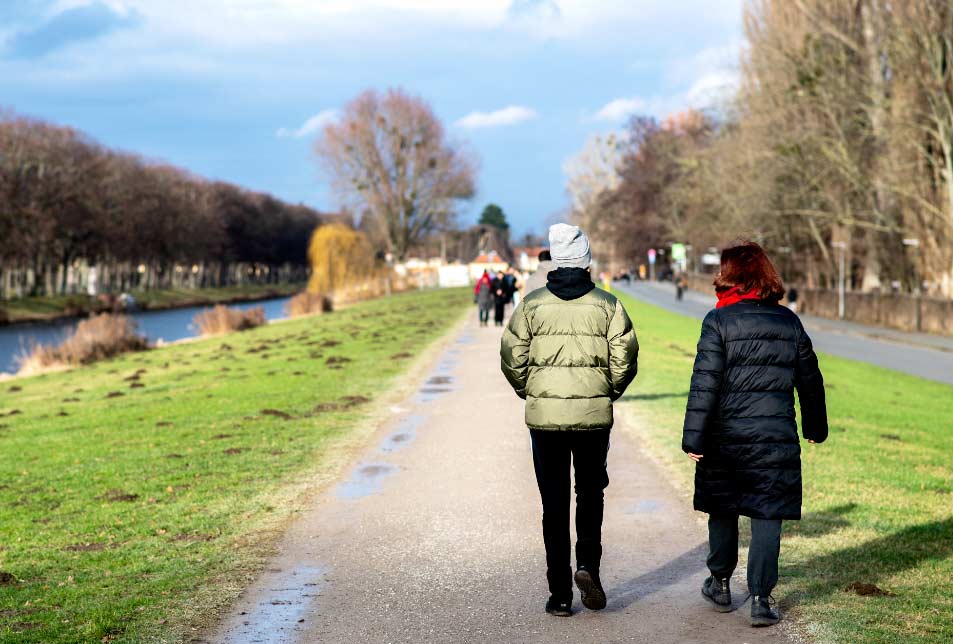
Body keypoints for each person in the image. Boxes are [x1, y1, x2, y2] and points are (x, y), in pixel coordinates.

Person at [682, 241, 827, 628]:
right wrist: (815, 427)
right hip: (773, 436)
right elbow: (810, 381)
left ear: (728, 276)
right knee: (768, 514)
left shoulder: (718, 321)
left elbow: (705, 384)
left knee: (723, 507)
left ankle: (720, 582)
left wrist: (693, 438)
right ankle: (761, 599)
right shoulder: (788, 321)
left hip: (724, 436)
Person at [501, 223, 639, 617]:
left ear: (554, 259)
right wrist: (606, 391)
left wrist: (532, 391)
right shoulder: (608, 305)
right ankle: (588, 567)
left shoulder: (530, 305)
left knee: (554, 504)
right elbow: (625, 358)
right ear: (586, 260)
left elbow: (512, 357)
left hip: (545, 421)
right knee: (590, 495)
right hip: (594, 419)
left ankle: (560, 594)